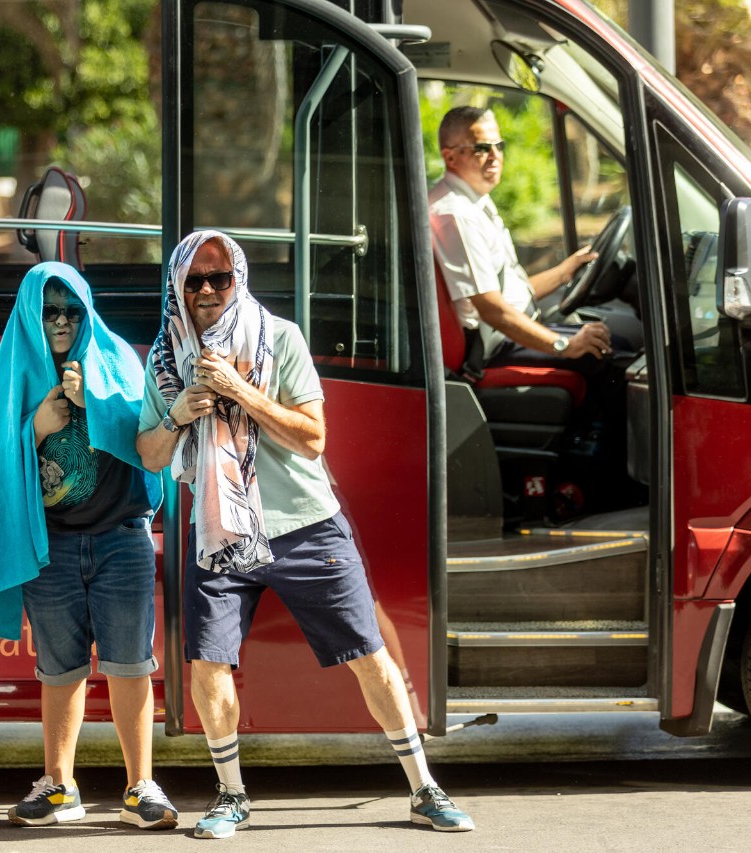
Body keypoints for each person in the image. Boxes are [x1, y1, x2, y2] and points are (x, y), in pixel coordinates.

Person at [136, 230, 475, 838]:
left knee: (369, 655)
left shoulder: (279, 338)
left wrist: (240, 391)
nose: (208, 291)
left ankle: (424, 787)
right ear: (178, 288)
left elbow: (313, 437)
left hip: (306, 525)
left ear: (239, 279)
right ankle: (232, 795)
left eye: (220, 278)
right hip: (220, 530)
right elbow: (151, 455)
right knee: (207, 665)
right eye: (195, 281)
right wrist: (181, 411)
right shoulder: (166, 357)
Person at [0, 262, 177, 830]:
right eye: (48, 310)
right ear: (29, 315)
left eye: (71, 310)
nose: (60, 321)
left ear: (86, 312)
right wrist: (33, 429)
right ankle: (59, 786)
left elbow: (147, 445)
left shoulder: (115, 359)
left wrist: (96, 406)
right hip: (51, 546)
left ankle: (141, 786)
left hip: (121, 538)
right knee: (59, 670)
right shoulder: (13, 372)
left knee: (130, 666)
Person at [428, 105, 613, 370]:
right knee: (604, 358)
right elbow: (493, 311)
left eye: (499, 145)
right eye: (481, 148)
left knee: (608, 344)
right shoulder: (455, 215)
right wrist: (564, 346)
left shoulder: (474, 203)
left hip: (508, 332)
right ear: (450, 157)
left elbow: (504, 292)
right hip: (493, 349)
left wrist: (563, 273)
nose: (495, 156)